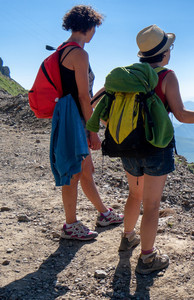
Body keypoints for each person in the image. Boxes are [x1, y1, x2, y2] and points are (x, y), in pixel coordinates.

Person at [116, 24, 194, 274]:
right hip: (156, 148)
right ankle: (147, 258)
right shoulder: (166, 76)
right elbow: (181, 115)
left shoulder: (129, 76)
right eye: (170, 48)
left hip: (128, 145)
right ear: (164, 53)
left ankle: (127, 238)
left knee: (135, 196)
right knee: (152, 204)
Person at [56, 5, 123, 241]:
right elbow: (83, 96)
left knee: (85, 170)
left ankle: (104, 213)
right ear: (89, 27)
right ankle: (70, 225)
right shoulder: (79, 54)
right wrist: (92, 131)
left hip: (67, 116)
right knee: (75, 172)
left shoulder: (62, 50)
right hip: (77, 120)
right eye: (95, 28)